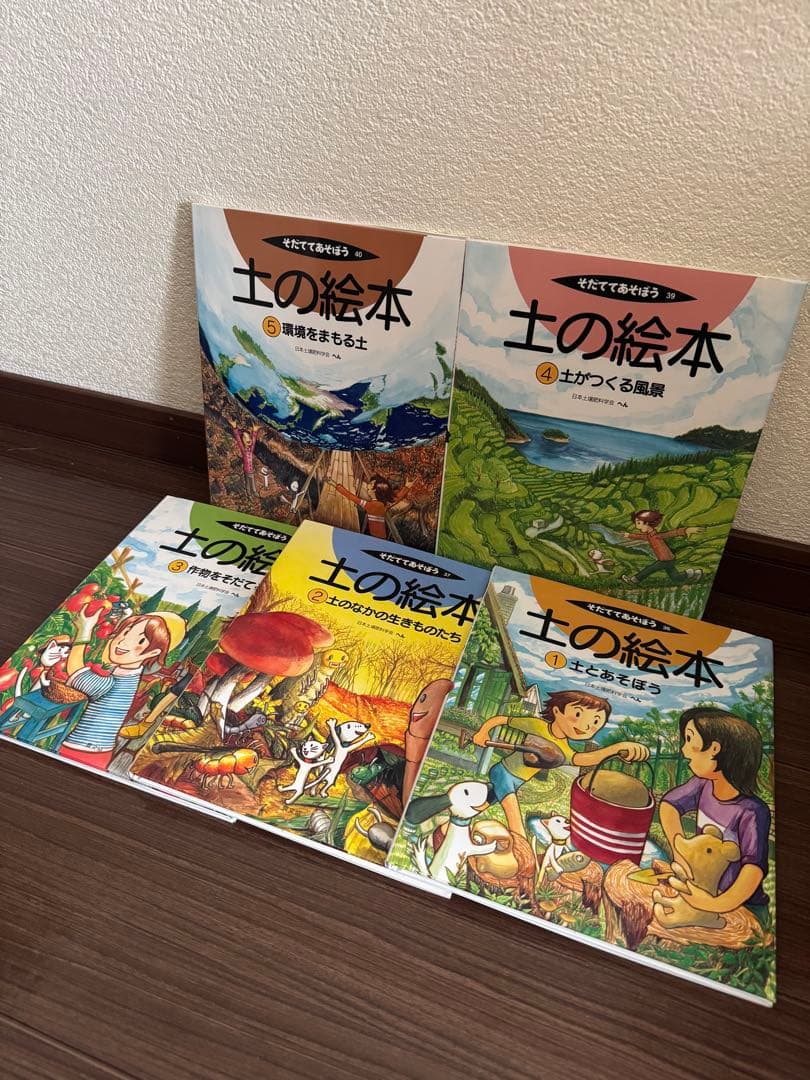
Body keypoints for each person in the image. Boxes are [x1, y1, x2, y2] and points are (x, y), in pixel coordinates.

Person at [473, 689, 649, 838]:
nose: (585, 726)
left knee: (481, 804)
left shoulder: (564, 750)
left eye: (595, 722)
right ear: (557, 711)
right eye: (578, 714)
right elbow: (502, 719)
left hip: (518, 781)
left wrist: (616, 749)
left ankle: (461, 816)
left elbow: (585, 759)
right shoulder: (537, 726)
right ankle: (522, 855)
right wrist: (482, 732)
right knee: (516, 824)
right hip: (503, 773)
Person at [659, 707, 771, 913]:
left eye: (689, 740)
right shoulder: (702, 784)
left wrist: (712, 904)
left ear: (714, 749)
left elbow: (753, 870)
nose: (683, 750)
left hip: (740, 906)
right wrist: (679, 853)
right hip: (703, 888)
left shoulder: (752, 812)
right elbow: (668, 805)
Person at [58, 608, 186, 771]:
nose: (123, 642)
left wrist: (84, 631)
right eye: (125, 633)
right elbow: (109, 657)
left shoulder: (114, 683)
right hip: (96, 750)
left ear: (154, 652)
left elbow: (76, 671)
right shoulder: (129, 674)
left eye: (140, 641)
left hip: (83, 751)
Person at [621, 509, 703, 585]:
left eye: (639, 523)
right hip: (668, 559)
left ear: (647, 523)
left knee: (649, 569)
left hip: (665, 560)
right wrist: (628, 535)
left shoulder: (657, 536)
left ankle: (633, 580)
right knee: (676, 578)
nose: (636, 526)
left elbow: (672, 533)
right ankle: (694, 573)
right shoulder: (650, 536)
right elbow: (641, 537)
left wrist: (685, 530)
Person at [326, 475, 394, 539]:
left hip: (375, 538)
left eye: (371, 484)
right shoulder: (382, 505)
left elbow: (352, 497)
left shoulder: (373, 505)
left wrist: (335, 485)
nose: (368, 485)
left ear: (375, 490)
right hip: (380, 536)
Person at [227, 419, 260, 497]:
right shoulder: (243, 449)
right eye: (245, 438)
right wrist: (235, 428)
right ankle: (249, 493)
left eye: (249, 437)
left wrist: (255, 431)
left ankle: (254, 491)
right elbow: (238, 439)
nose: (248, 439)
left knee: (252, 481)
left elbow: (254, 441)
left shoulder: (251, 450)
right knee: (248, 482)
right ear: (243, 440)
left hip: (251, 470)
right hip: (246, 471)